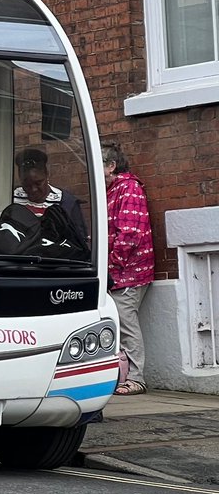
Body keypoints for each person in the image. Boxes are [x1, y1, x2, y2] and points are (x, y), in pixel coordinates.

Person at [103, 142, 154, 396]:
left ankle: (137, 378)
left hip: (129, 272)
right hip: (119, 271)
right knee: (120, 324)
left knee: (126, 324)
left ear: (111, 166)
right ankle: (123, 376)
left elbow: (129, 235)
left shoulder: (129, 189)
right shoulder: (113, 190)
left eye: (100, 163)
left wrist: (111, 264)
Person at [11, 147, 88, 246]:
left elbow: (80, 243)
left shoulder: (66, 202)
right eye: (27, 185)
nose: (33, 189)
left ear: (47, 175)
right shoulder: (12, 197)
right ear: (20, 179)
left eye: (38, 183)